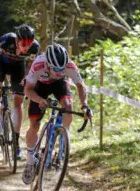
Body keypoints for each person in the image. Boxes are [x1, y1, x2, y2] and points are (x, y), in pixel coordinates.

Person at [21, 43, 90, 184]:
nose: (59, 71)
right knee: (34, 125)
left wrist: (84, 105)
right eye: (56, 69)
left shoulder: (69, 66)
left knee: (68, 107)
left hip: (60, 85)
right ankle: (29, 160)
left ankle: (64, 137)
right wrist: (40, 100)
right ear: (47, 64)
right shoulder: (38, 64)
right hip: (39, 87)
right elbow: (28, 90)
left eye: (61, 68)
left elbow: (80, 86)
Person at [0, 24, 38, 159]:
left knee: (18, 103)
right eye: (24, 43)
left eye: (29, 44)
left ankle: (16, 142)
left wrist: (26, 79)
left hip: (18, 68)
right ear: (16, 40)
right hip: (1, 65)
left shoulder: (34, 47)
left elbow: (31, 66)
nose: (26, 47)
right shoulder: (6, 40)